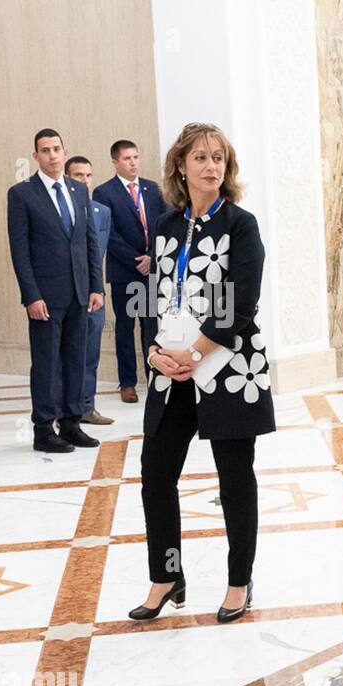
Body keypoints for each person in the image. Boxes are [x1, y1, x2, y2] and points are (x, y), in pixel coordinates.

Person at [128, 122, 274, 624]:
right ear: (180, 167)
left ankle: (239, 581)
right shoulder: (166, 226)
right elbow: (152, 298)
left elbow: (242, 302)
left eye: (219, 158)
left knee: (234, 479)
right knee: (156, 474)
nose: (211, 166)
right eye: (201, 158)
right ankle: (167, 576)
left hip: (228, 368)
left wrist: (197, 351)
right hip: (172, 371)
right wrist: (154, 351)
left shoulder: (241, 224)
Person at [6, 128, 104, 454]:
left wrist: (95, 286)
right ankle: (44, 430)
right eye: (44, 150)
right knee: (47, 365)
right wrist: (31, 295)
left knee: (75, 360)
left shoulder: (78, 190)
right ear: (35, 156)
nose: (51, 155)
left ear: (65, 151)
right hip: (45, 298)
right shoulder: (22, 194)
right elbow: (19, 251)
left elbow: (89, 241)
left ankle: (72, 424)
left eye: (56, 149)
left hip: (80, 293)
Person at [94, 139, 169, 404]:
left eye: (136, 157)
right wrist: (137, 260)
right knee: (125, 327)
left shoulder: (152, 189)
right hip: (125, 272)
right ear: (115, 161)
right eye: (127, 158)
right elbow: (108, 234)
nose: (133, 162)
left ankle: (154, 377)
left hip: (151, 272)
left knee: (150, 326)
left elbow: (165, 223)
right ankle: (127, 383)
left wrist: (152, 258)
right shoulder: (103, 193)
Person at [65, 156, 115, 426]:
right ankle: (65, 409)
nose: (84, 181)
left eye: (88, 175)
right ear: (67, 178)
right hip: (67, 292)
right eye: (77, 176)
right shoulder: (58, 210)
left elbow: (100, 251)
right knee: (67, 353)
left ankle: (86, 406)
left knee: (91, 351)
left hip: (94, 293)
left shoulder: (101, 211)